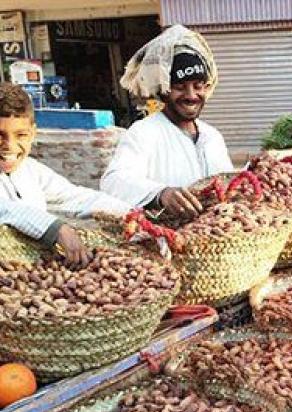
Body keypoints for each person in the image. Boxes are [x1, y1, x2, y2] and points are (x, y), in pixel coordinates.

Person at [101, 25, 234, 218]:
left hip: (213, 237)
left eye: (198, 86)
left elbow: (227, 183)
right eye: (179, 87)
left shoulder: (212, 136)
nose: (191, 96)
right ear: (163, 90)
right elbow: (113, 181)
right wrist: (161, 194)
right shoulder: (144, 133)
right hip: (166, 239)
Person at [0, 83, 131, 266]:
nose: (10, 146)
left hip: (27, 276)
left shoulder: (31, 171)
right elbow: (6, 209)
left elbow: (77, 197)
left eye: (21, 135)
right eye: (1, 135)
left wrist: (132, 215)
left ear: (33, 134)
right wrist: (58, 229)